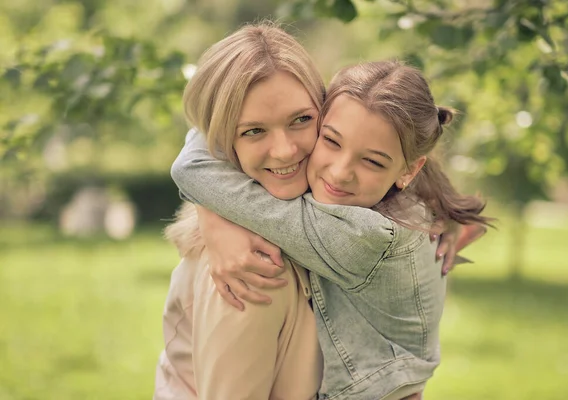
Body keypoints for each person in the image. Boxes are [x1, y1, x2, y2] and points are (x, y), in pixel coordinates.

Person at [170, 50, 493, 400]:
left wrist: (215, 219)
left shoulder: (362, 235)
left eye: (371, 161)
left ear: (408, 171)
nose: (339, 172)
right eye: (331, 140)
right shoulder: (396, 192)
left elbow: (194, 172)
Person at [153, 23, 325, 400]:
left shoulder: (335, 214)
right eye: (253, 132)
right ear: (220, 143)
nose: (284, 151)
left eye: (301, 120)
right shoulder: (248, 267)